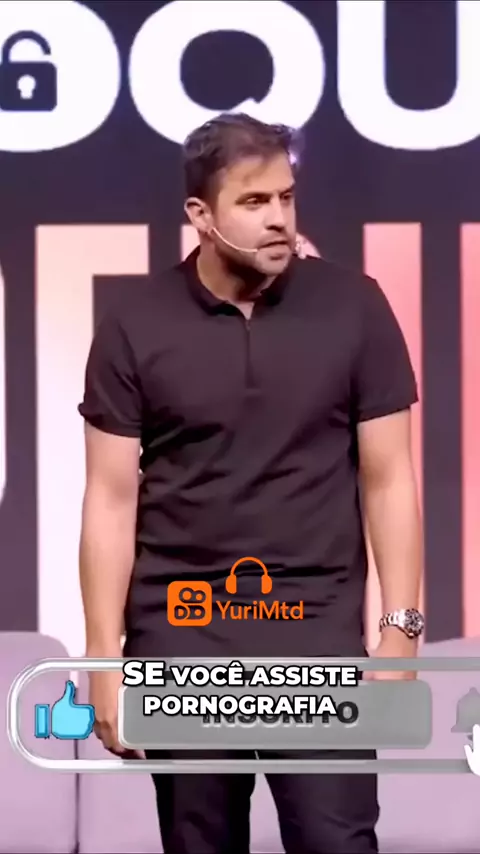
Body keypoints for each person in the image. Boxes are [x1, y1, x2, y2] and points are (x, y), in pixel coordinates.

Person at [78, 113, 424, 854]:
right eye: (254, 201)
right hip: (183, 637)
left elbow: (390, 478)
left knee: (338, 842)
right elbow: (109, 499)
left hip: (316, 637)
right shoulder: (134, 322)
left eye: (287, 198)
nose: (278, 219)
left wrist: (401, 629)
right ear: (200, 215)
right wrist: (103, 658)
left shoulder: (356, 306)